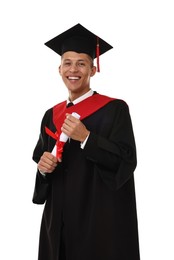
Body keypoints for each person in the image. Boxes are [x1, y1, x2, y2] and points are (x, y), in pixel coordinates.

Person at [32, 23, 140, 260]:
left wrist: (87, 138)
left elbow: (126, 161)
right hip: (58, 222)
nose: (74, 69)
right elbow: (43, 165)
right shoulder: (51, 115)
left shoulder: (114, 110)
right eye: (68, 63)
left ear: (92, 70)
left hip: (98, 223)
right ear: (59, 69)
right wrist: (43, 170)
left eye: (81, 63)